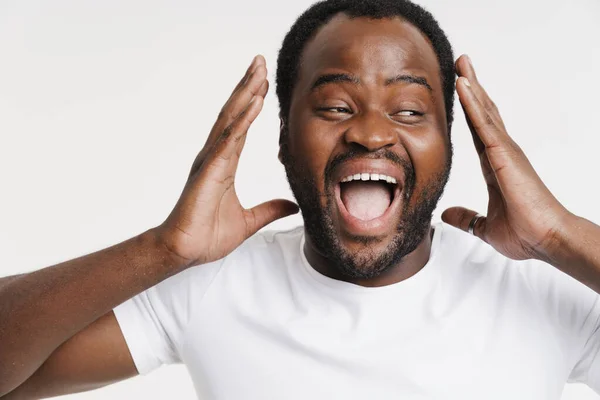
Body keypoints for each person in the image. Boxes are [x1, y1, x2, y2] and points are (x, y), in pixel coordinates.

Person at [1, 0, 599, 399]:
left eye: (411, 111)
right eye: (336, 106)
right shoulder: (210, 283)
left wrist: (560, 236)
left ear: (452, 141)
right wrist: (164, 249)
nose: (370, 132)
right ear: (283, 137)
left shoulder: (545, 286)